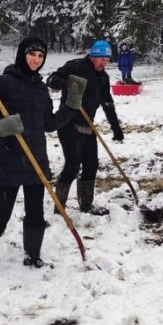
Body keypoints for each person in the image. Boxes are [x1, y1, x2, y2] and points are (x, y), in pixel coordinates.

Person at [0, 35, 84, 270]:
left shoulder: (41, 89)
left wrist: (70, 106)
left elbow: (49, 123)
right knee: (2, 214)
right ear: (22, 54)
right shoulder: (3, 82)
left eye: (40, 56)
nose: (36, 60)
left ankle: (33, 256)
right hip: (9, 160)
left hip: (36, 159)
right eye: (32, 54)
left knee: (36, 214)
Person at [47, 39, 125, 215]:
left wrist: (116, 128)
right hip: (67, 123)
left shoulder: (103, 77)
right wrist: (69, 84)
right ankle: (59, 207)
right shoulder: (75, 66)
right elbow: (51, 80)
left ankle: (86, 205)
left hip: (87, 124)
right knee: (73, 165)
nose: (104, 63)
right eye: (101, 59)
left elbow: (107, 102)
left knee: (91, 165)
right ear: (93, 56)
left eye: (107, 60)